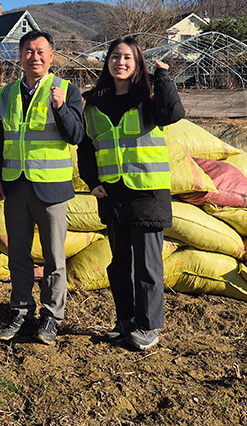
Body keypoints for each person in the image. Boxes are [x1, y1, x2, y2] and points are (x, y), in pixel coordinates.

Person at [78, 37, 185, 351]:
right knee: (119, 262)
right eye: (114, 57)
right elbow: (86, 146)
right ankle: (125, 321)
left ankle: (148, 326)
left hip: (147, 191)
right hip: (112, 192)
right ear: (107, 62)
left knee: (148, 264)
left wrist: (162, 76)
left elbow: (171, 114)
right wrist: (91, 179)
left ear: (137, 62)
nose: (120, 62)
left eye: (127, 57)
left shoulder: (148, 96)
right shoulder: (95, 101)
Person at [0, 30, 85, 344]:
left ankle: (51, 317)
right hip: (16, 186)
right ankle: (21, 312)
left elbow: (76, 136)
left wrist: (60, 108)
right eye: (28, 51)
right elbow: (1, 138)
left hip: (51, 187)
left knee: (54, 257)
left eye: (41, 51)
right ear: (19, 56)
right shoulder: (7, 93)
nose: (35, 57)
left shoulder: (67, 90)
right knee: (17, 253)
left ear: (52, 56)